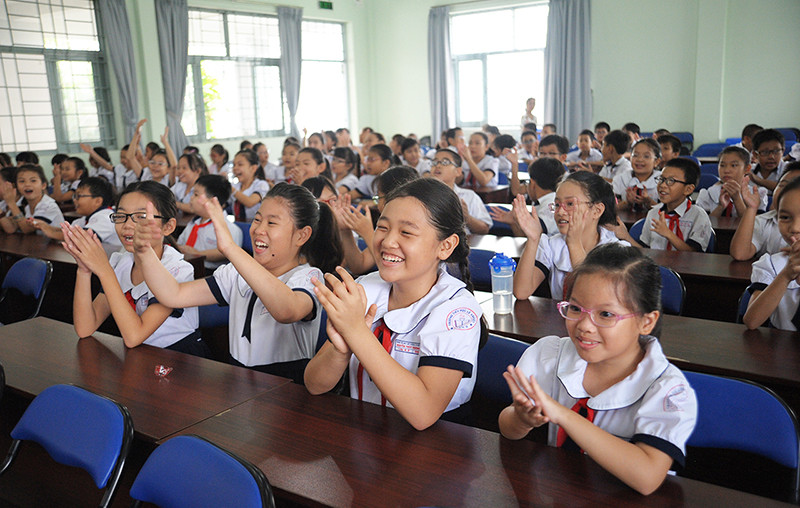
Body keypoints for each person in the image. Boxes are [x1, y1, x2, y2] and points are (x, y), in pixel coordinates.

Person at [499, 243, 697, 495]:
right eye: (575, 308)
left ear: (646, 322)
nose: (585, 326)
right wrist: (521, 419)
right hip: (560, 493)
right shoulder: (549, 354)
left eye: (605, 314)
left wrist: (563, 415)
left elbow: (647, 478)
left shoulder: (666, 387)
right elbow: (507, 427)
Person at [305, 178, 483, 430]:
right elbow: (314, 384)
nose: (388, 242)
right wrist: (341, 348)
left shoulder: (456, 311)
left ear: (445, 246)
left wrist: (355, 332)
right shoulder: (364, 289)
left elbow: (424, 413)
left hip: (436, 449)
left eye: (406, 232)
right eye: (382, 227)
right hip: (367, 434)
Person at [134, 183, 341, 383]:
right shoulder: (236, 273)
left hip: (286, 388)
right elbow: (173, 294)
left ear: (301, 235)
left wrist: (230, 248)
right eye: (257, 219)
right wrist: (146, 251)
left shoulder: (309, 278)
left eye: (271, 223)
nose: (259, 229)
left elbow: (287, 310)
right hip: (239, 382)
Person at [63, 181, 207, 356]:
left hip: (179, 358)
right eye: (121, 215)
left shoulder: (177, 269)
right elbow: (85, 328)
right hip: (139, 356)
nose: (128, 225)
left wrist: (104, 270)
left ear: (168, 227)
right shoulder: (121, 263)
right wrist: (83, 271)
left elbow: (134, 336)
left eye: (141, 217)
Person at [512, 171, 626, 301]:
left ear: (597, 211)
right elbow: (521, 292)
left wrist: (574, 243)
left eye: (570, 204)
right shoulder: (550, 244)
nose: (560, 211)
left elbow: (593, 299)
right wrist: (533, 239)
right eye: (557, 205)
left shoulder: (617, 250)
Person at [336, 166, 419, 276]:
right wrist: (345, 231)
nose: (377, 203)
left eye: (378, 197)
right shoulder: (385, 223)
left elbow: (393, 269)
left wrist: (368, 232)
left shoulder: (414, 225)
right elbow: (359, 266)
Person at [615, 158, 711, 252]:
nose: (662, 185)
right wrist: (626, 236)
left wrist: (668, 234)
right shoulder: (654, 213)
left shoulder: (698, 215)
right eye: (661, 179)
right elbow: (644, 250)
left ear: (688, 189)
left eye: (671, 181)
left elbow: (695, 254)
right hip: (656, 266)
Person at [744, 177, 800, 331]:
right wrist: (786, 275)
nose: (795, 227)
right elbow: (752, 321)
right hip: (781, 351)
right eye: (785, 217)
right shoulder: (772, 264)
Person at [730, 162, 800, 260]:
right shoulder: (763, 221)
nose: (787, 192)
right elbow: (740, 254)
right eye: (783, 186)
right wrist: (751, 208)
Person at [31, 177, 122, 252]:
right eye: (74, 196)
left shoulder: (106, 217)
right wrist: (45, 226)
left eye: (79, 196)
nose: (74, 200)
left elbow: (83, 237)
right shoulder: (84, 219)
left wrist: (51, 233)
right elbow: (68, 231)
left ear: (98, 201)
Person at [176, 174, 242, 272]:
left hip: (210, 273)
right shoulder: (194, 222)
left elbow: (226, 253)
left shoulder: (230, 229)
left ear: (213, 201)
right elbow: (180, 243)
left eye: (196, 194)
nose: (191, 198)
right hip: (186, 267)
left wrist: (198, 254)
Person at [493, 157, 564, 236]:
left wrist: (517, 220)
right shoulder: (544, 202)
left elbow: (533, 236)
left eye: (528, 183)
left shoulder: (550, 206)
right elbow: (527, 238)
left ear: (532, 183)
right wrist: (513, 222)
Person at [430, 149, 491, 234]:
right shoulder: (422, 196)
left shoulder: (469, 196)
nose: (438, 166)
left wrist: (467, 218)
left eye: (445, 162)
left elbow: (484, 230)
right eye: (434, 162)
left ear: (458, 171)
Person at [697, 146, 767, 217]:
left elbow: (755, 226)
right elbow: (703, 225)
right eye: (722, 165)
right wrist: (720, 207)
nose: (726, 170)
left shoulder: (756, 194)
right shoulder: (709, 194)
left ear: (747, 169)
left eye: (733, 165)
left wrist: (737, 199)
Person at [0, 164, 64, 235]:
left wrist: (11, 203)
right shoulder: (27, 207)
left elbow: (27, 229)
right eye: (22, 181)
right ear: (16, 186)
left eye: (33, 181)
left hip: (57, 245)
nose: (27, 184)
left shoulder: (48, 206)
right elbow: (11, 228)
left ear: (43, 185)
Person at [613, 138, 661, 212]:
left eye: (646, 156)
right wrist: (627, 203)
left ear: (656, 161)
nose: (640, 159)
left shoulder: (662, 181)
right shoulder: (620, 179)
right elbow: (611, 209)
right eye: (635, 155)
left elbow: (668, 211)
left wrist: (649, 202)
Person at [230, 149, 270, 222]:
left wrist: (232, 190)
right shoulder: (235, 186)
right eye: (234, 165)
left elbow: (250, 202)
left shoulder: (261, 184)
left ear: (253, 168)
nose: (235, 168)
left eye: (240, 164)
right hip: (238, 226)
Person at [749, 129, 786, 193]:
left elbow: (789, 190)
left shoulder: (789, 170)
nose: (771, 157)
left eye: (776, 151)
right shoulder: (749, 171)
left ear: (782, 152)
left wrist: (759, 181)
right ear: (755, 154)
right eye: (765, 152)